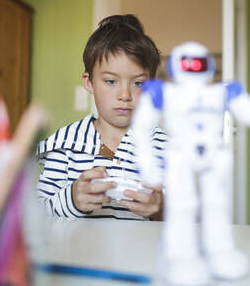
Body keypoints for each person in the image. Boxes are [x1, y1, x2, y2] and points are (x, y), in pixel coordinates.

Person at [36, 14, 166, 220]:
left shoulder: (164, 147)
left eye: (138, 83)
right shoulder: (65, 144)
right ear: (89, 83)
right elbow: (36, 216)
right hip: (78, 253)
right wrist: (72, 199)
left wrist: (160, 209)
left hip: (141, 252)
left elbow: (188, 221)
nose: (125, 95)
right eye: (111, 81)